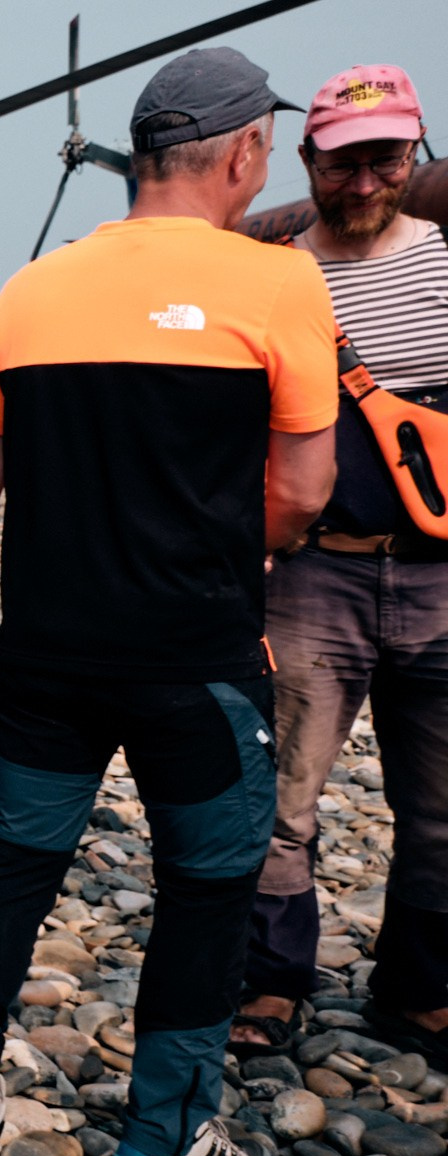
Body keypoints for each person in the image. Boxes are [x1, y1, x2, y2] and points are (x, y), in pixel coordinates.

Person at [0, 49, 338, 1156]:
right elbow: (303, 488)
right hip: (195, 663)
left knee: (11, 866)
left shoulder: (29, 287)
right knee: (204, 889)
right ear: (243, 152)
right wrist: (233, 547)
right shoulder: (278, 282)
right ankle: (164, 1140)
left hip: (46, 659)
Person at [230, 66, 448, 1067]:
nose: (364, 182)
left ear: (414, 152)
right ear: (308, 159)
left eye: (385, 159)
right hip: (313, 574)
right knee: (284, 802)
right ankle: (273, 979)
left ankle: (418, 989)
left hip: (440, 579)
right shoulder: (275, 275)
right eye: (342, 162)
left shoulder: (444, 261)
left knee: (439, 812)